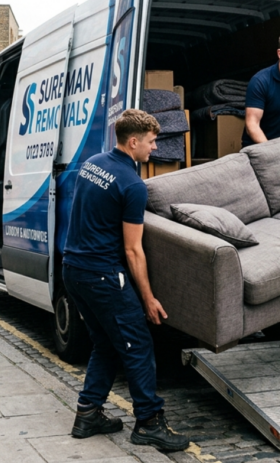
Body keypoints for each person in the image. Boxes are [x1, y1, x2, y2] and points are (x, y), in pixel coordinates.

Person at [62, 109, 189, 452]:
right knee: (138, 345)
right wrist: (148, 299)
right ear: (133, 141)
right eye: (151, 142)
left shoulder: (92, 164)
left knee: (105, 342)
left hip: (72, 269)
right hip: (102, 275)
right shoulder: (132, 185)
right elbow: (133, 251)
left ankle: (88, 413)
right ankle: (148, 422)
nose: (155, 148)